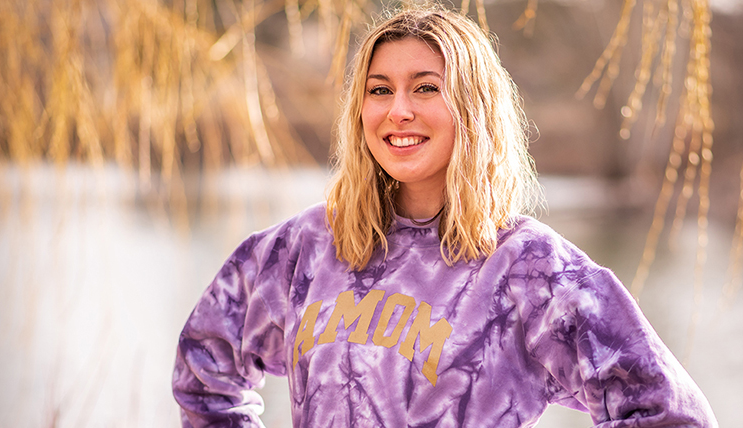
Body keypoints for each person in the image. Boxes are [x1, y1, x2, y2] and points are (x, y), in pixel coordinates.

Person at [172, 5, 718, 427]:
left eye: (426, 88)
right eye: (379, 90)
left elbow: (666, 411)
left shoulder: (527, 268)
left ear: (473, 107)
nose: (398, 110)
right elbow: (204, 365)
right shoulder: (306, 248)